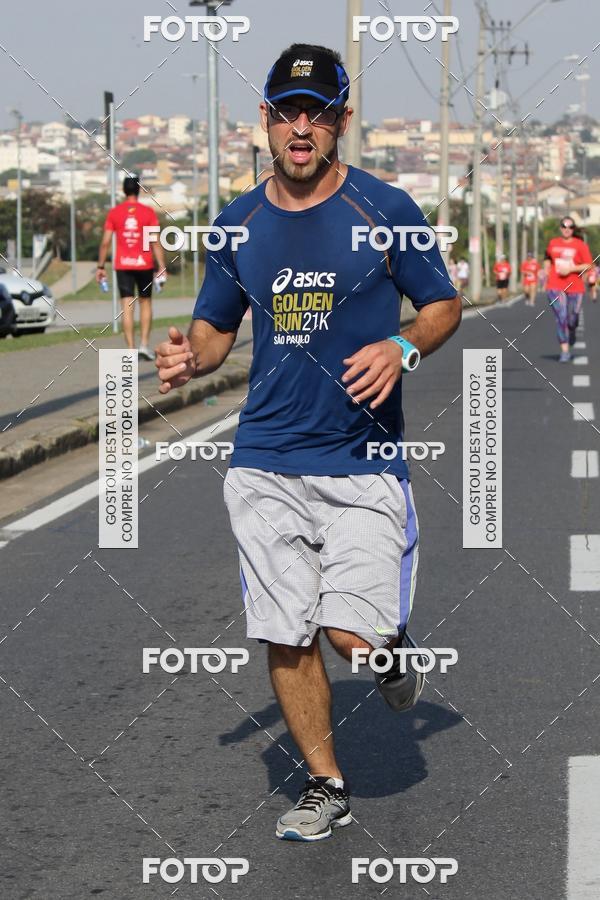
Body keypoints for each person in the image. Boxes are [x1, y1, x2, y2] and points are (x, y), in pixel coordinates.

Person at [155, 43, 461, 842]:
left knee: (349, 634)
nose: (301, 127)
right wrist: (190, 358)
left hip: (362, 462)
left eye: (317, 113)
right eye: (287, 111)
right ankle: (326, 782)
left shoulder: (385, 208)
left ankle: (391, 652)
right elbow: (216, 330)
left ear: (340, 123)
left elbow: (442, 306)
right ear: (264, 120)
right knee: (286, 632)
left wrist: (402, 348)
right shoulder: (235, 225)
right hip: (263, 461)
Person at [96, 174, 167, 361]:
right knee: (146, 303)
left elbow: (105, 242)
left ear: (123, 190)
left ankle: (130, 349)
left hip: (123, 265)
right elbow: (155, 242)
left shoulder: (114, 213)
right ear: (138, 190)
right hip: (144, 264)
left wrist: (100, 266)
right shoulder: (148, 213)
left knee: (127, 306)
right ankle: (144, 345)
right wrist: (162, 266)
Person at [544, 216, 592, 362]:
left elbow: (589, 265)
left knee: (572, 318)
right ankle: (565, 351)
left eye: (570, 227)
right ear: (560, 228)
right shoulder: (553, 243)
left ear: (573, 229)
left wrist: (572, 268)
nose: (567, 229)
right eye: (564, 226)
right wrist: (546, 267)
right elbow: (547, 257)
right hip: (554, 285)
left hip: (575, 286)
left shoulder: (580, 245)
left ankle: (572, 329)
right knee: (561, 317)